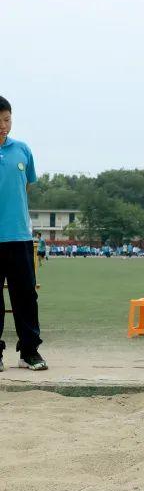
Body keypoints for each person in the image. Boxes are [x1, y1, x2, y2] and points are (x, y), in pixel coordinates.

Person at [0, 96, 47, 372]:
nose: (3, 126)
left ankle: (29, 351)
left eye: (7, 120)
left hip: (19, 237)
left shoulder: (23, 150)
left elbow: (26, 186)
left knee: (26, 296)